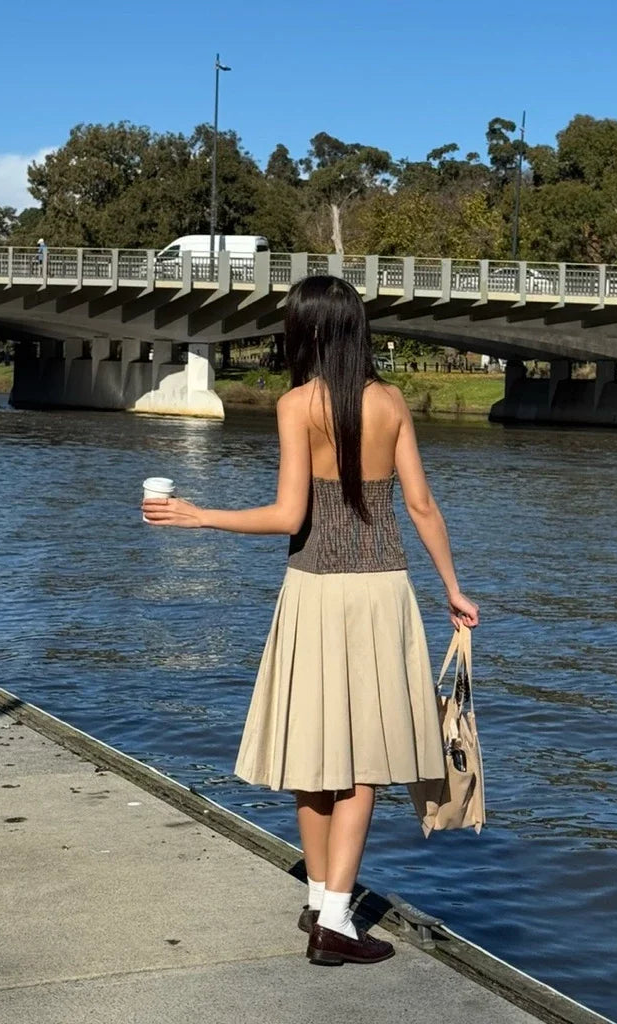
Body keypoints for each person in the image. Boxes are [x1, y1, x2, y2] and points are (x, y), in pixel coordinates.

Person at [142, 275, 479, 967]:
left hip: (314, 592)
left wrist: (199, 515)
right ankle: (333, 914)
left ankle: (324, 907)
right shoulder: (390, 402)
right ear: (356, 329)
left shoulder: (297, 404)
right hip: (383, 593)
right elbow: (420, 505)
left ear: (309, 332)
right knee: (365, 764)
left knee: (315, 753)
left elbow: (289, 517)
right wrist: (453, 588)